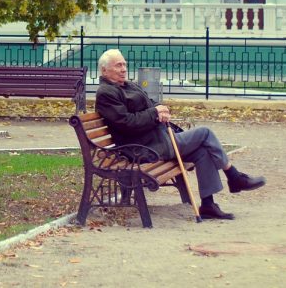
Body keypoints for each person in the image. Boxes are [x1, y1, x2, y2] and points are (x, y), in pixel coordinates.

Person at [95, 49, 266, 220]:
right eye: (118, 65)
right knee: (205, 133)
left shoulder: (128, 85)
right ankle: (234, 176)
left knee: (202, 152)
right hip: (143, 148)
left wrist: (161, 110)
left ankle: (208, 205)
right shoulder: (106, 93)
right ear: (104, 70)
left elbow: (151, 104)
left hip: (156, 139)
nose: (124, 69)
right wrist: (154, 113)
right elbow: (126, 123)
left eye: (124, 64)